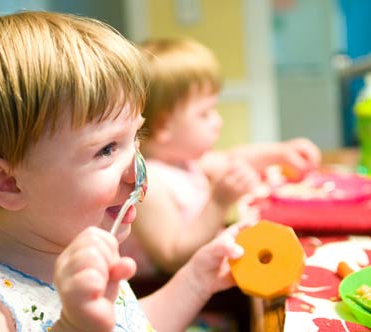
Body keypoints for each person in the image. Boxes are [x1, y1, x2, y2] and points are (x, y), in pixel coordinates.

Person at [0, 12, 247, 332]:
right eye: (106, 149)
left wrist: (196, 280)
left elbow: (132, 324)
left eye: (135, 138)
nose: (138, 173)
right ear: (7, 183)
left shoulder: (84, 253)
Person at [120, 38, 321, 276]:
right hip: (177, 298)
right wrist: (218, 203)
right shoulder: (147, 184)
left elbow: (232, 159)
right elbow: (172, 257)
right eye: (205, 114)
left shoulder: (184, 162)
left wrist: (280, 153)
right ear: (164, 126)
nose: (218, 121)